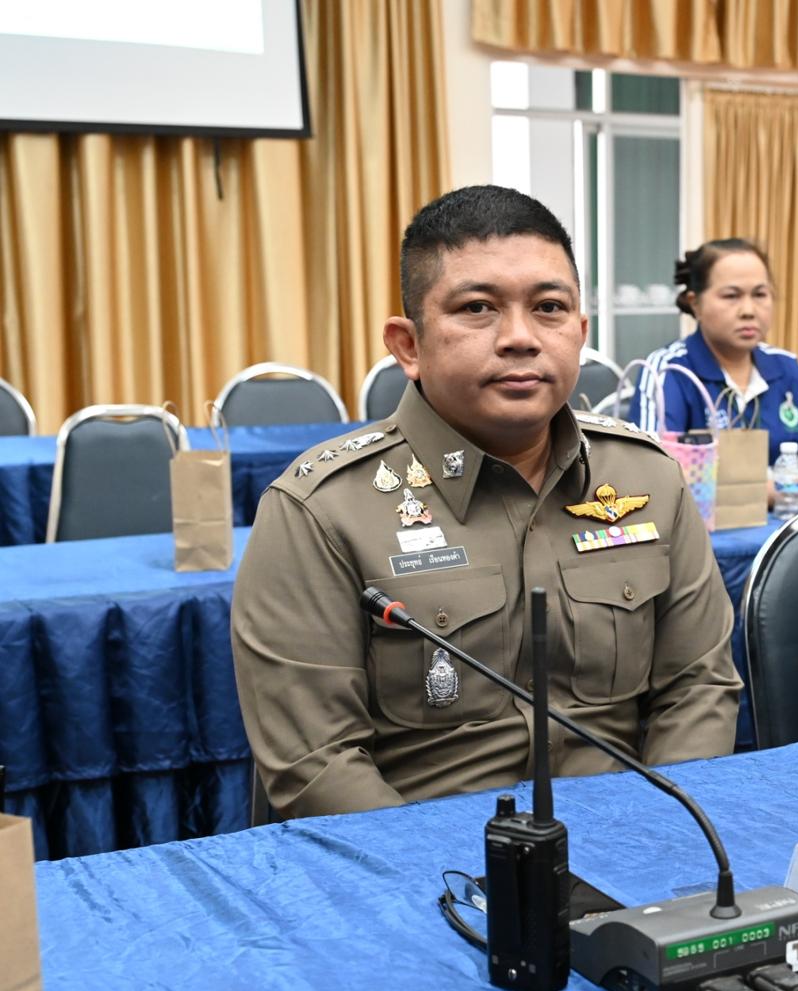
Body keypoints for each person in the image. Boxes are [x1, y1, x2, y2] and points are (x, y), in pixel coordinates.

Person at [231, 185, 740, 819]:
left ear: (580, 333)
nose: (520, 337)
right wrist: (458, 873)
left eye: (549, 308)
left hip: (631, 840)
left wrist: (658, 835)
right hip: (423, 860)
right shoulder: (322, 510)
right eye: (477, 308)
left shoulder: (648, 479)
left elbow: (698, 689)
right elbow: (317, 765)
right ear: (408, 345)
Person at [634, 238, 798, 503]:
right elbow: (655, 476)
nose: (748, 310)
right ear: (695, 303)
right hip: (704, 528)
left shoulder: (786, 367)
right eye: (731, 296)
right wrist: (768, 491)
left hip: (789, 524)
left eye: (759, 295)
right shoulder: (668, 370)